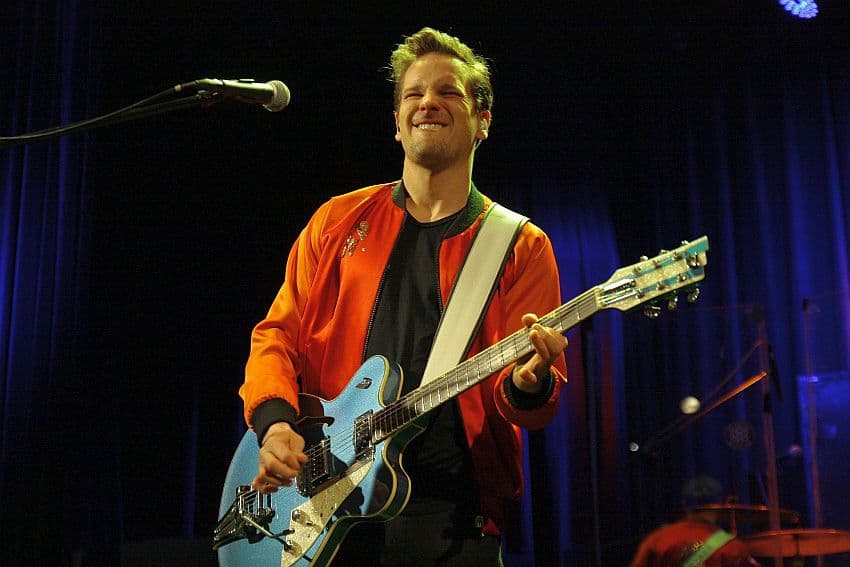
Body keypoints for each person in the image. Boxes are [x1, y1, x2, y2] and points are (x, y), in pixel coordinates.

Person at [238, 27, 568, 565]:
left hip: (453, 519)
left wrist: (527, 383)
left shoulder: (520, 245)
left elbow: (529, 405)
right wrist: (275, 425)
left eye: (448, 92)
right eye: (414, 93)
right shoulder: (336, 221)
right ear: (397, 122)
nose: (427, 102)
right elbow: (276, 337)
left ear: (483, 121)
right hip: (327, 505)